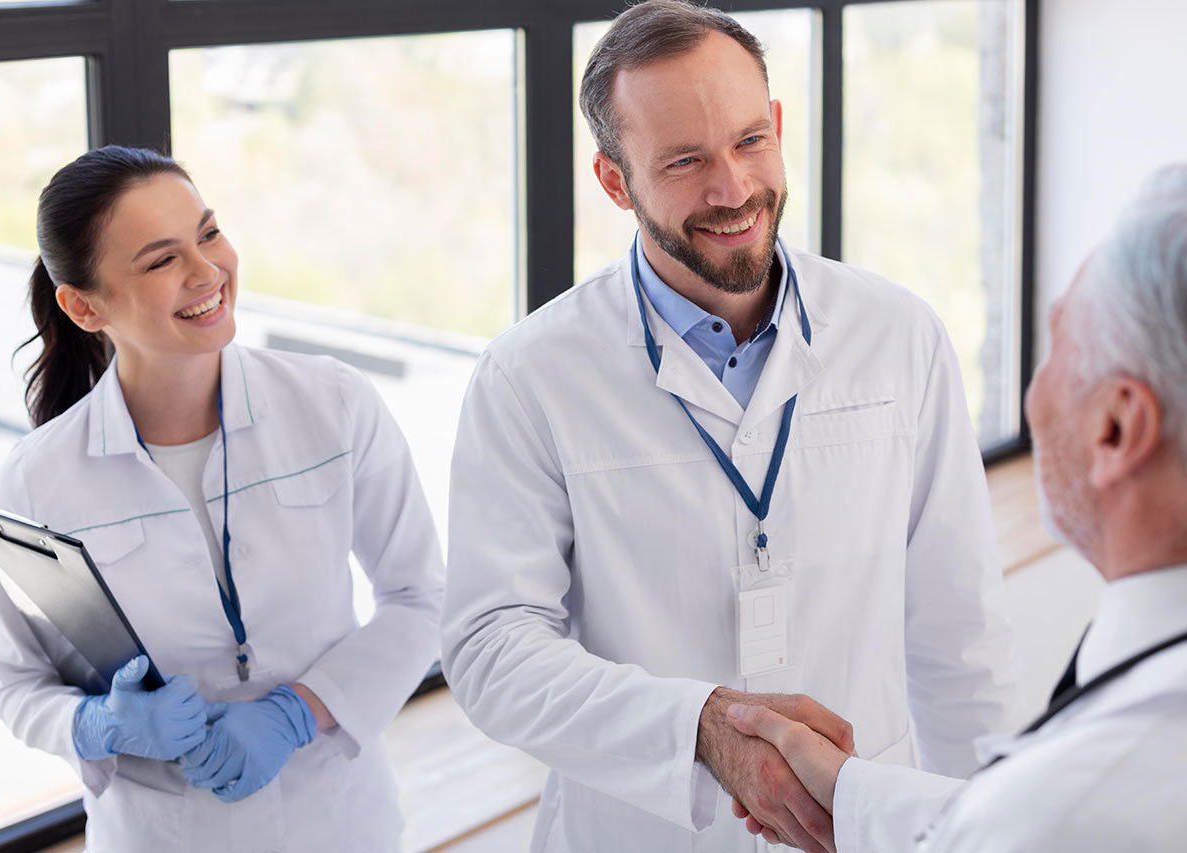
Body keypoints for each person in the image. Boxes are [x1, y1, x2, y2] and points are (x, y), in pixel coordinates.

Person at [440, 1, 1014, 851]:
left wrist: (986, 829)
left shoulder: (898, 337)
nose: (733, 188)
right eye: (684, 161)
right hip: (640, 829)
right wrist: (700, 728)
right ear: (613, 179)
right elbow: (493, 647)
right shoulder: (531, 376)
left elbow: (957, 629)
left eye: (750, 141)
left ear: (777, 124)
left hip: (858, 825)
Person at [0, 145, 443, 852]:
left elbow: (420, 596)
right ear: (82, 305)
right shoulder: (37, 480)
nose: (207, 273)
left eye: (208, 233)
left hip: (342, 826)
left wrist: (299, 710)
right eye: (161, 260)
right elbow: (19, 683)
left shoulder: (334, 404)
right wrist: (98, 725)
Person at [725, 164, 1187, 851]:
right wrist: (853, 793)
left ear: (1116, 428)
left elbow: (1023, 814)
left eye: (1057, 344)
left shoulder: (1062, 810)